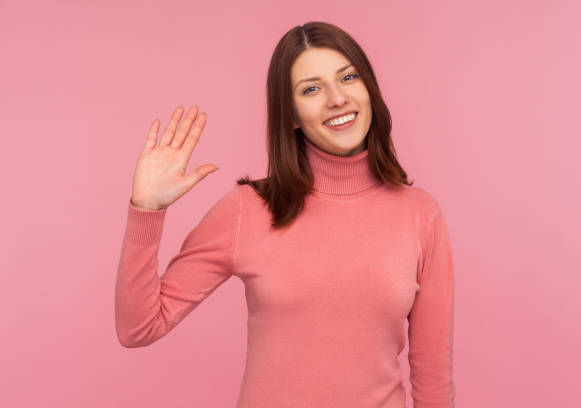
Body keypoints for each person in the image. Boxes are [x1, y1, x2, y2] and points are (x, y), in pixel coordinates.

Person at [115, 21, 455, 408]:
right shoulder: (248, 209)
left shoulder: (420, 215)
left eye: (348, 77)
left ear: (368, 90)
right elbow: (138, 327)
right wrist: (146, 210)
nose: (336, 98)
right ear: (291, 115)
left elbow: (431, 374)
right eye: (311, 89)